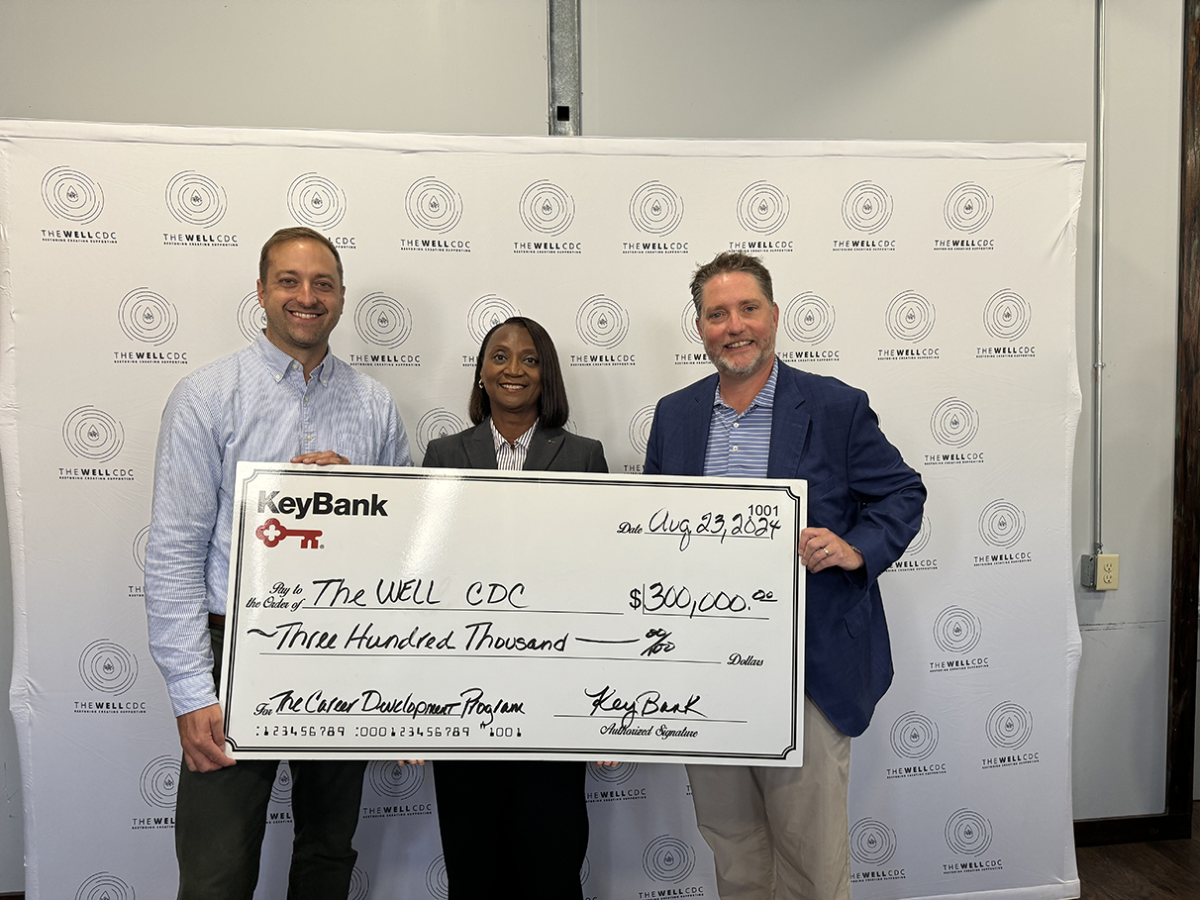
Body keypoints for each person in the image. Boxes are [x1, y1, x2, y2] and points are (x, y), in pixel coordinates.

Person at [643, 252, 925, 900]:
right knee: (733, 849)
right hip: (706, 670)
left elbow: (903, 494)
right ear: (700, 327)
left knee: (812, 862)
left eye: (747, 309)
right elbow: (654, 533)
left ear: (774, 316)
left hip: (809, 668)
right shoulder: (675, 416)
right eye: (717, 314)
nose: (734, 326)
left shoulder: (835, 407)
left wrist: (856, 547)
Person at [144, 226, 412, 899]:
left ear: (342, 298)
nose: (306, 296)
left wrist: (365, 494)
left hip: (341, 651)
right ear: (261, 292)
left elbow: (411, 541)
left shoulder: (375, 404)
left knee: (327, 852)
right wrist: (191, 690)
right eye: (289, 281)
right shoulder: (207, 397)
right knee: (216, 868)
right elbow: (175, 549)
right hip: (233, 651)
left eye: (323, 283)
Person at [423, 316, 605, 900]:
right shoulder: (443, 453)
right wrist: (413, 710)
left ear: (546, 373)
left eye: (529, 359)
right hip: (461, 701)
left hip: (555, 699)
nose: (514, 370)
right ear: (481, 372)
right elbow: (422, 584)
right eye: (499, 357)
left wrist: (610, 711)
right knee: (473, 870)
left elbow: (604, 586)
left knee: (550, 866)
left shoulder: (583, 455)